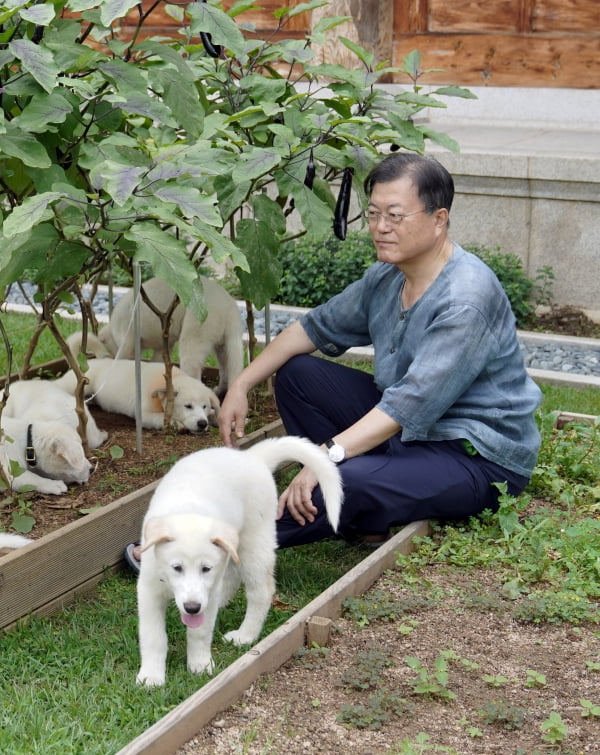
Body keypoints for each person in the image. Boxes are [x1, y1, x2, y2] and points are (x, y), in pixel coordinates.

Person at [213, 152, 542, 549]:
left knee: (348, 478)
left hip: (475, 457)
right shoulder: (387, 276)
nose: (380, 228)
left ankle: (207, 545)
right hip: (412, 434)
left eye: (395, 216)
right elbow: (313, 327)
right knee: (299, 376)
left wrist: (326, 457)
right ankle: (368, 511)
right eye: (373, 214)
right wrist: (241, 385)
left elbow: (410, 404)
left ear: (439, 219)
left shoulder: (465, 299)